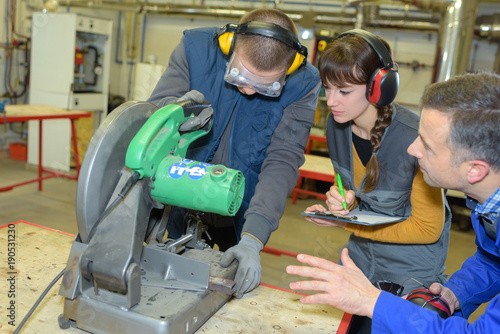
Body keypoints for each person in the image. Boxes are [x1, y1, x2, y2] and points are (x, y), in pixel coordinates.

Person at [287, 72, 500, 332]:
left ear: (475, 170)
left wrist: (373, 302)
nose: (413, 149)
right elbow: (493, 260)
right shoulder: (489, 206)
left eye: (428, 146)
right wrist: (458, 291)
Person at [147, 8, 321, 298]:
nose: (250, 92)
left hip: (241, 212)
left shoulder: (303, 83)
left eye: (266, 87)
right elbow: (153, 115)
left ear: (289, 69)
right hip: (178, 201)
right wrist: (176, 109)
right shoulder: (196, 49)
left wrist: (253, 238)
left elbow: (282, 160)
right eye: (241, 78)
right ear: (229, 47)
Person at [302, 29, 451, 293]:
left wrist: (344, 223)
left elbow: (428, 228)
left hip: (408, 273)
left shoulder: (416, 138)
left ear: (379, 88)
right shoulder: (337, 125)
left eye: (344, 91)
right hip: (359, 259)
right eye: (327, 88)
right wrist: (344, 200)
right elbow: (359, 194)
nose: (331, 100)